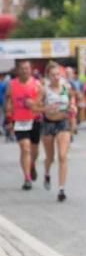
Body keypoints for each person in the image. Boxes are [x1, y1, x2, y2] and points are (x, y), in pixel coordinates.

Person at [35, 62, 76, 201]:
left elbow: (71, 101)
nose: (56, 77)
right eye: (53, 75)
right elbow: (35, 107)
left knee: (62, 156)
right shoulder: (44, 90)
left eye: (58, 74)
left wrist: (73, 107)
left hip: (63, 123)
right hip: (48, 124)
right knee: (50, 157)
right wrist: (45, 109)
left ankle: (61, 189)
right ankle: (47, 173)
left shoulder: (65, 87)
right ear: (48, 76)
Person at [4, 60, 42, 188]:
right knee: (25, 148)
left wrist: (34, 104)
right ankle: (27, 178)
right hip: (19, 120)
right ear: (18, 71)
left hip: (35, 119)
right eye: (23, 68)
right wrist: (8, 119)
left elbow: (42, 104)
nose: (25, 71)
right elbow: (8, 102)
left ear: (31, 70)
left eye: (27, 68)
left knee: (34, 150)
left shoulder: (37, 84)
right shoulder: (12, 84)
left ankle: (32, 165)